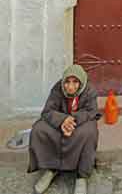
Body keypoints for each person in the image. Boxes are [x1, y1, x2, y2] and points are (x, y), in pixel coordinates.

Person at [28, 64, 100, 194]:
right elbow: (47, 111)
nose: (70, 86)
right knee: (39, 129)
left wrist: (72, 120)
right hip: (60, 122)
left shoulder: (90, 91)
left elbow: (92, 111)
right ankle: (51, 168)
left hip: (78, 123)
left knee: (90, 132)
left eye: (75, 82)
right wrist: (62, 121)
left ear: (81, 82)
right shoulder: (57, 89)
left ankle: (81, 176)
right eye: (67, 82)